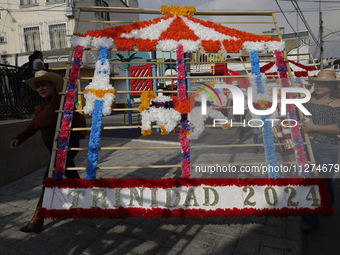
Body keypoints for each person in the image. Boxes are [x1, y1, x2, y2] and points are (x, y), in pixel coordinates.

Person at [9, 70, 83, 232]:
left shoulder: (62, 101)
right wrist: (19, 138)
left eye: (44, 85)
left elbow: (71, 118)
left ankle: (38, 218)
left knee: (48, 177)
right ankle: (83, 200)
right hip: (51, 146)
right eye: (38, 87)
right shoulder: (41, 107)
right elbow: (33, 126)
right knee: (69, 170)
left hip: (67, 143)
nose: (41, 89)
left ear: (52, 86)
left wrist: (64, 133)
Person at [301, 69, 340, 232]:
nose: (318, 85)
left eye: (323, 83)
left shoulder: (337, 103)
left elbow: (338, 127)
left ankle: (327, 204)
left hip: (327, 147)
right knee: (311, 182)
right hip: (307, 145)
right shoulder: (307, 99)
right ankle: (310, 218)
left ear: (331, 86)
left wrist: (313, 128)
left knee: (324, 180)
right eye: (316, 82)